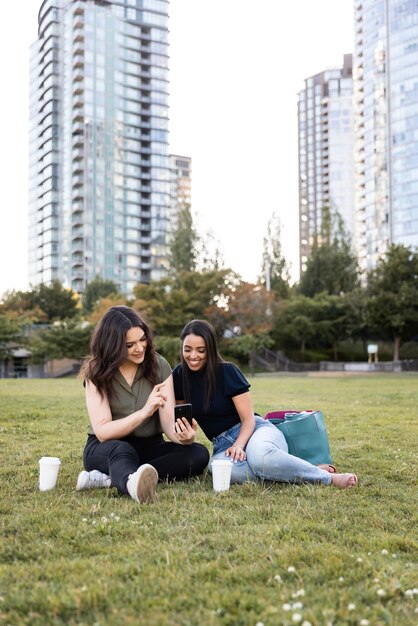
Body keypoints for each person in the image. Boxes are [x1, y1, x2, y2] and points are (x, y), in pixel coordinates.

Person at [172, 320, 358, 489]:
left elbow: (248, 420)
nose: (193, 356)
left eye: (200, 350)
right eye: (187, 349)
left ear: (210, 349)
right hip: (222, 445)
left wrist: (238, 445)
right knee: (223, 471)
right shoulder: (179, 375)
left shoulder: (227, 371)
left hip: (254, 431)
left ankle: (326, 477)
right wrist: (188, 434)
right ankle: (299, 468)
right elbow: (183, 421)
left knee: (260, 458)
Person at [76, 306, 209, 504]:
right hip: (107, 447)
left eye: (142, 339)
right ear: (112, 345)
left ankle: (113, 478)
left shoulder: (159, 365)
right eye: (129, 345)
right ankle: (131, 482)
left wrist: (184, 438)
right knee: (122, 452)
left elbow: (167, 424)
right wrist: (145, 412)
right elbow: (103, 431)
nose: (139, 348)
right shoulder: (96, 372)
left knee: (198, 453)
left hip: (149, 446)